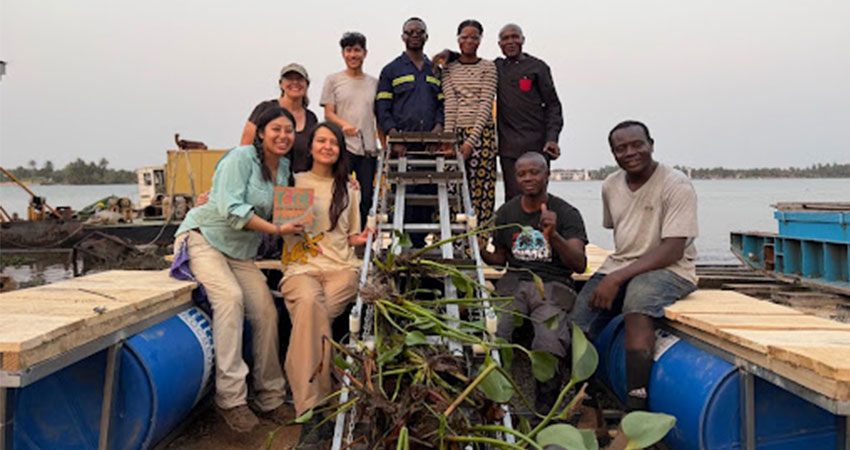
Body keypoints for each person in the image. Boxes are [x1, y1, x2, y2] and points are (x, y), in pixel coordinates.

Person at [172, 106, 305, 433]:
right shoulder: (240, 158)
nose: (283, 136)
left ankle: (271, 397)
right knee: (230, 299)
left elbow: (289, 217)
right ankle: (231, 398)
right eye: (276, 129)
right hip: (203, 238)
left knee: (266, 312)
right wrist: (276, 230)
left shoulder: (285, 168)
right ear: (261, 132)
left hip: (240, 252)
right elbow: (233, 210)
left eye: (288, 130)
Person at [570, 120, 698, 411]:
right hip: (623, 263)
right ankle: (585, 400)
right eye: (621, 148)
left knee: (637, 301)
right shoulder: (610, 185)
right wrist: (613, 274)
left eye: (637, 144)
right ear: (613, 154)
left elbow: (673, 248)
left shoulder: (676, 184)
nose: (630, 152)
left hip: (672, 268)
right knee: (578, 322)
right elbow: (622, 232)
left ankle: (636, 404)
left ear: (651, 144)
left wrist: (617, 279)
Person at [277, 122, 371, 446]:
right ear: (311, 146)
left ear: (340, 149)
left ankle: (309, 409)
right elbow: (284, 230)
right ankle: (315, 407)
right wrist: (289, 222)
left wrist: (366, 237)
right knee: (310, 307)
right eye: (321, 141)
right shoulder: (294, 181)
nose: (327, 146)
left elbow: (350, 238)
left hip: (342, 269)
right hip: (300, 268)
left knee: (311, 317)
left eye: (333, 142)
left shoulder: (351, 188)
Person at [479, 151, 587, 414]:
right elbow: (501, 260)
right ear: (515, 178)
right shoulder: (506, 212)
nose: (528, 178)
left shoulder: (566, 212)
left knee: (549, 339)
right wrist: (482, 250)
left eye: (534, 172)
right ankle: (491, 402)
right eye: (522, 174)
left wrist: (555, 235)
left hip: (553, 284)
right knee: (496, 329)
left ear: (547, 175)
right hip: (514, 281)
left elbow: (579, 265)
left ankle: (544, 411)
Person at [375, 17, 444, 247]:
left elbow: (442, 105)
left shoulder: (435, 70)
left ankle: (420, 246)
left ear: (426, 35)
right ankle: (402, 247)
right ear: (403, 36)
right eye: (410, 31)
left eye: (420, 31)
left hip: (430, 147)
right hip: (402, 148)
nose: (415, 35)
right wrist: (393, 137)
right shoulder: (391, 70)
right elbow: (382, 107)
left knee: (427, 196)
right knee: (403, 197)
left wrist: (438, 130)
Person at [442, 19, 498, 237]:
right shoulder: (449, 69)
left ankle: (480, 240)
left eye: (474, 37)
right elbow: (450, 103)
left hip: (481, 134)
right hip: (455, 132)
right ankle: (452, 241)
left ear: (480, 40)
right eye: (464, 37)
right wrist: (448, 138)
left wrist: (470, 142)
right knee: (451, 188)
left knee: (480, 189)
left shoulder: (488, 67)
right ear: (458, 39)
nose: (469, 41)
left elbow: (486, 105)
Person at [495, 24, 564, 200]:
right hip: (508, 147)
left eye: (514, 37)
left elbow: (553, 105)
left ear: (522, 40)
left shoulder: (538, 67)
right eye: (505, 39)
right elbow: (471, 62)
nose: (510, 42)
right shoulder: (496, 68)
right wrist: (449, 55)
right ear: (499, 44)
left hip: (537, 144)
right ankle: (513, 229)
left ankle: (541, 228)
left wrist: (552, 139)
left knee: (537, 195)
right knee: (512, 197)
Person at [321, 31, 379, 228]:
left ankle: (362, 239)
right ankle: (337, 234)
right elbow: (328, 113)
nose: (353, 55)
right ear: (343, 54)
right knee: (339, 193)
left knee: (366, 197)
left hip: (368, 148)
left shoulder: (374, 83)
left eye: (357, 50)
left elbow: (377, 117)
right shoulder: (333, 80)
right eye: (348, 50)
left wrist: (384, 145)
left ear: (365, 53)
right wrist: (343, 125)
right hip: (342, 148)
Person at [241, 63, 318, 174]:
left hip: (298, 184)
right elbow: (245, 147)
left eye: (299, 79)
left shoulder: (311, 118)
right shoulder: (264, 109)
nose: (295, 83)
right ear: (281, 84)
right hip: (264, 179)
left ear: (307, 84)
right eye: (289, 79)